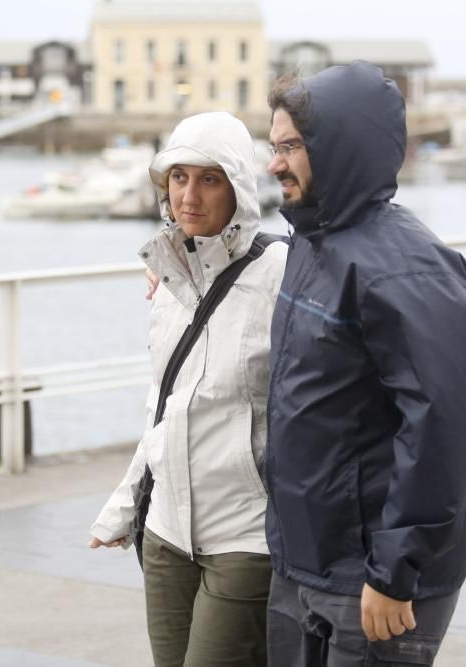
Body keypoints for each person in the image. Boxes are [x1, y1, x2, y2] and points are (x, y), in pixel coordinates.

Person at [262, 62, 466, 665]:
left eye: (291, 146)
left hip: (371, 578)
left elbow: (441, 422)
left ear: (339, 149)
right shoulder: (313, 245)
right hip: (307, 558)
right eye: (273, 145)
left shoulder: (408, 272)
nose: (274, 163)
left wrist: (395, 571)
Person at [89, 111, 288, 667]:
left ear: (239, 187)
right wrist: (125, 506)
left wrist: (463, 469)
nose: (189, 196)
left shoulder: (283, 271)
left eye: (209, 179)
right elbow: (163, 405)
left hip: (243, 536)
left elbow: (355, 375)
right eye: (178, 178)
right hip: (165, 535)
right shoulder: (170, 277)